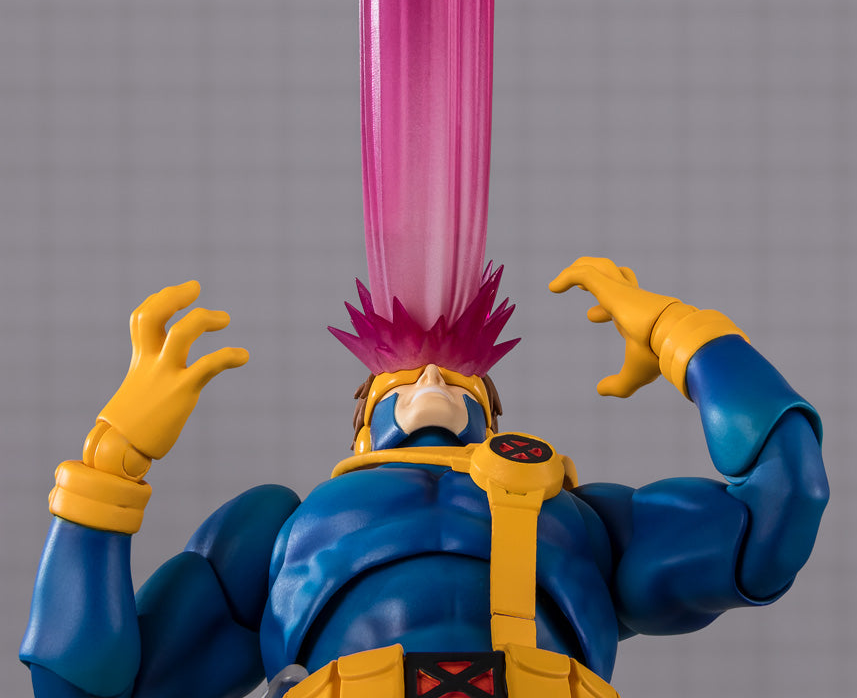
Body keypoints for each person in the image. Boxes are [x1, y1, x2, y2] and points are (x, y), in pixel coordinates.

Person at [21, 257, 827, 698]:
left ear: (495, 421)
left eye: (462, 382)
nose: (432, 381)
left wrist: (688, 339)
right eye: (397, 382)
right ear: (360, 426)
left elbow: (779, 510)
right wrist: (110, 463)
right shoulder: (277, 531)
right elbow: (81, 690)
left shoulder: (582, 522)